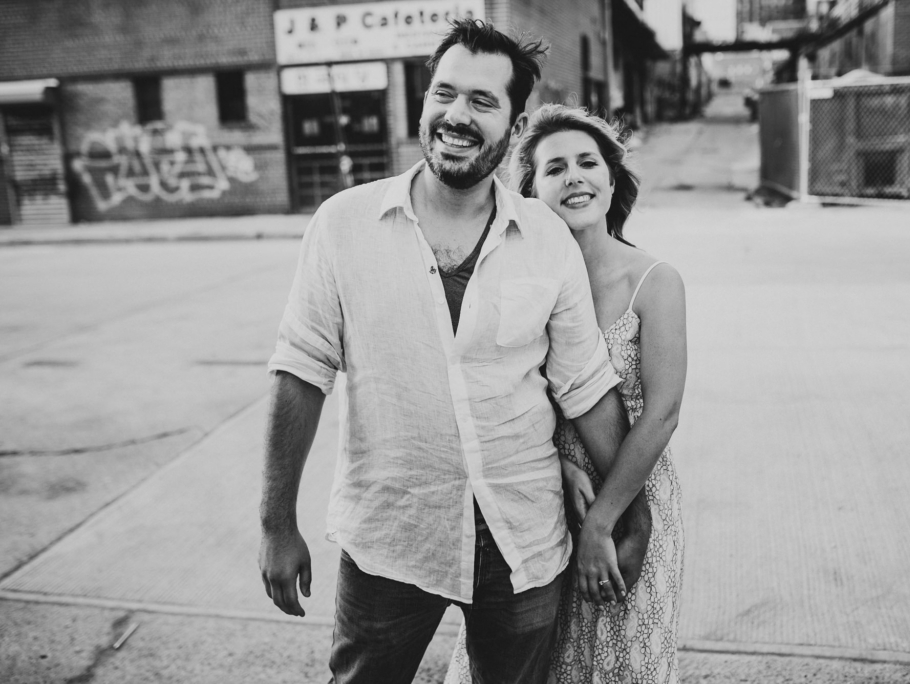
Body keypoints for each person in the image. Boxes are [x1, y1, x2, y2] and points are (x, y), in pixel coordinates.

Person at [257, 21, 651, 683]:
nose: (456, 115)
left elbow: (585, 385)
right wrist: (276, 523)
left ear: (515, 125)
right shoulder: (343, 224)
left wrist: (632, 514)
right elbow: (300, 369)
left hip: (523, 535)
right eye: (444, 93)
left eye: (481, 101)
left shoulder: (546, 238)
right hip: (390, 535)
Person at [446, 105, 687, 683]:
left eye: (588, 163)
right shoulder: (517, 283)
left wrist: (605, 523)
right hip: (537, 497)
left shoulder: (654, 282)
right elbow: (499, 394)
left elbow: (663, 414)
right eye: (555, 168)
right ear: (531, 194)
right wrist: (555, 464)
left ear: (612, 180)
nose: (575, 176)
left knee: (620, 664)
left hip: (630, 495)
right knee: (529, 662)